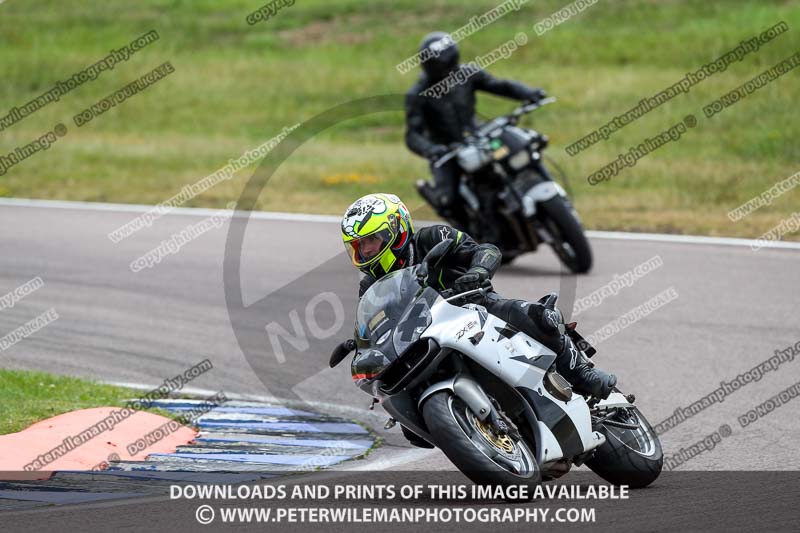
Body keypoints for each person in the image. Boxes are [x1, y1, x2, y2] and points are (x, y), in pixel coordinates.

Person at [340, 193, 616, 446]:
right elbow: (376, 323)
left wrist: (479, 269)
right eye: (358, 245)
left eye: (371, 240)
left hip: (476, 307)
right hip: (427, 336)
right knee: (411, 429)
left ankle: (581, 371)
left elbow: (485, 250)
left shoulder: (432, 237)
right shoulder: (370, 285)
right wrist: (365, 343)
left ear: (396, 231)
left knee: (539, 316)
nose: (365, 251)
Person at [404, 31, 547, 222]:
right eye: (440, 71)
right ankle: (471, 239)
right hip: (446, 151)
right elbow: (412, 135)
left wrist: (529, 93)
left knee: (521, 149)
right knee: (448, 199)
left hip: (478, 137)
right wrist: (432, 150)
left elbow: (500, 85)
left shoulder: (467, 74)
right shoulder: (417, 94)